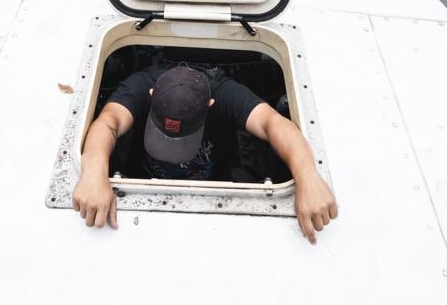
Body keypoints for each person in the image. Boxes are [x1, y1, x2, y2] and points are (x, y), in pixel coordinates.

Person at [70, 64, 339, 243]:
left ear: (211, 105)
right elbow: (108, 121)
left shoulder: (224, 92)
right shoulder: (142, 85)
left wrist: (308, 177)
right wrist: (94, 172)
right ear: (151, 95)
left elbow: (274, 123)